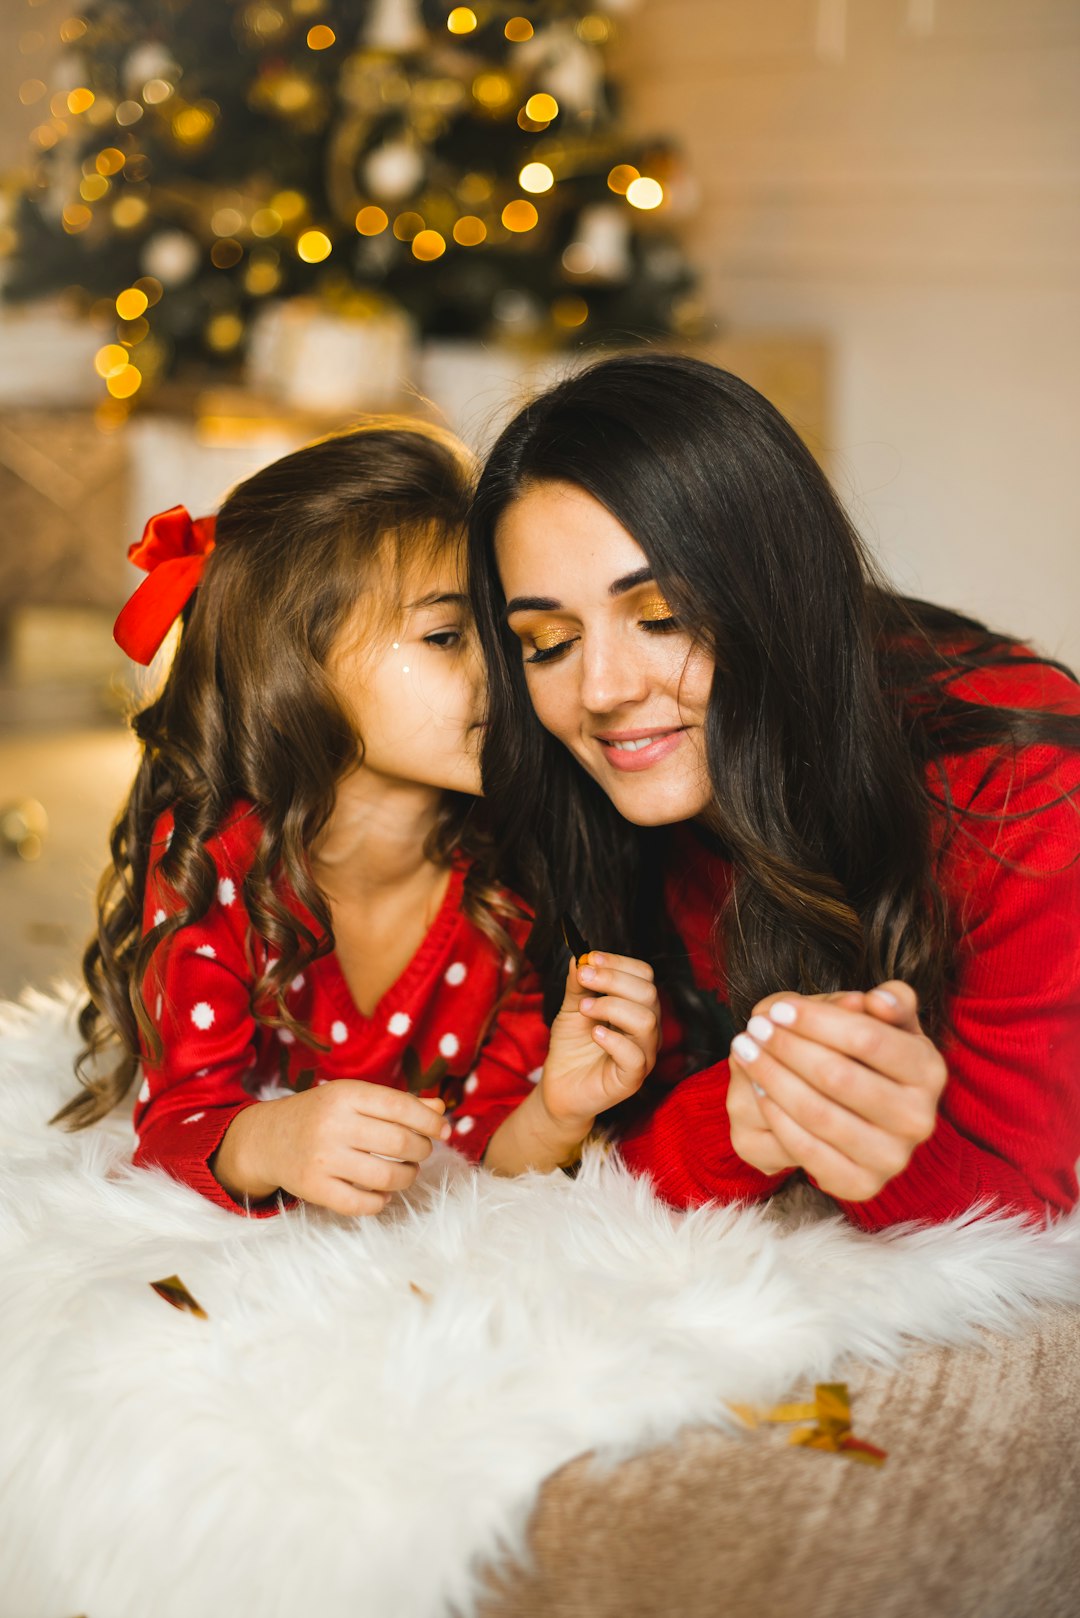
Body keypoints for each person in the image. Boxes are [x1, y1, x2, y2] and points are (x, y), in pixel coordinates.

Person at [468, 352, 1080, 1230]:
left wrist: (801, 1118)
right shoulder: (589, 805)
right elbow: (587, 1146)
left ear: (773, 595)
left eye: (661, 618)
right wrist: (742, 1118)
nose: (600, 690)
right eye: (550, 640)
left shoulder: (1020, 789)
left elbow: (1018, 1201)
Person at [58, 421, 660, 1214]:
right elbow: (176, 1125)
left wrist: (559, 1111)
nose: (503, 674)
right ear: (294, 664)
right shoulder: (217, 864)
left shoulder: (510, 872)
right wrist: (272, 1138)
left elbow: (481, 1163)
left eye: (510, 635)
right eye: (446, 636)